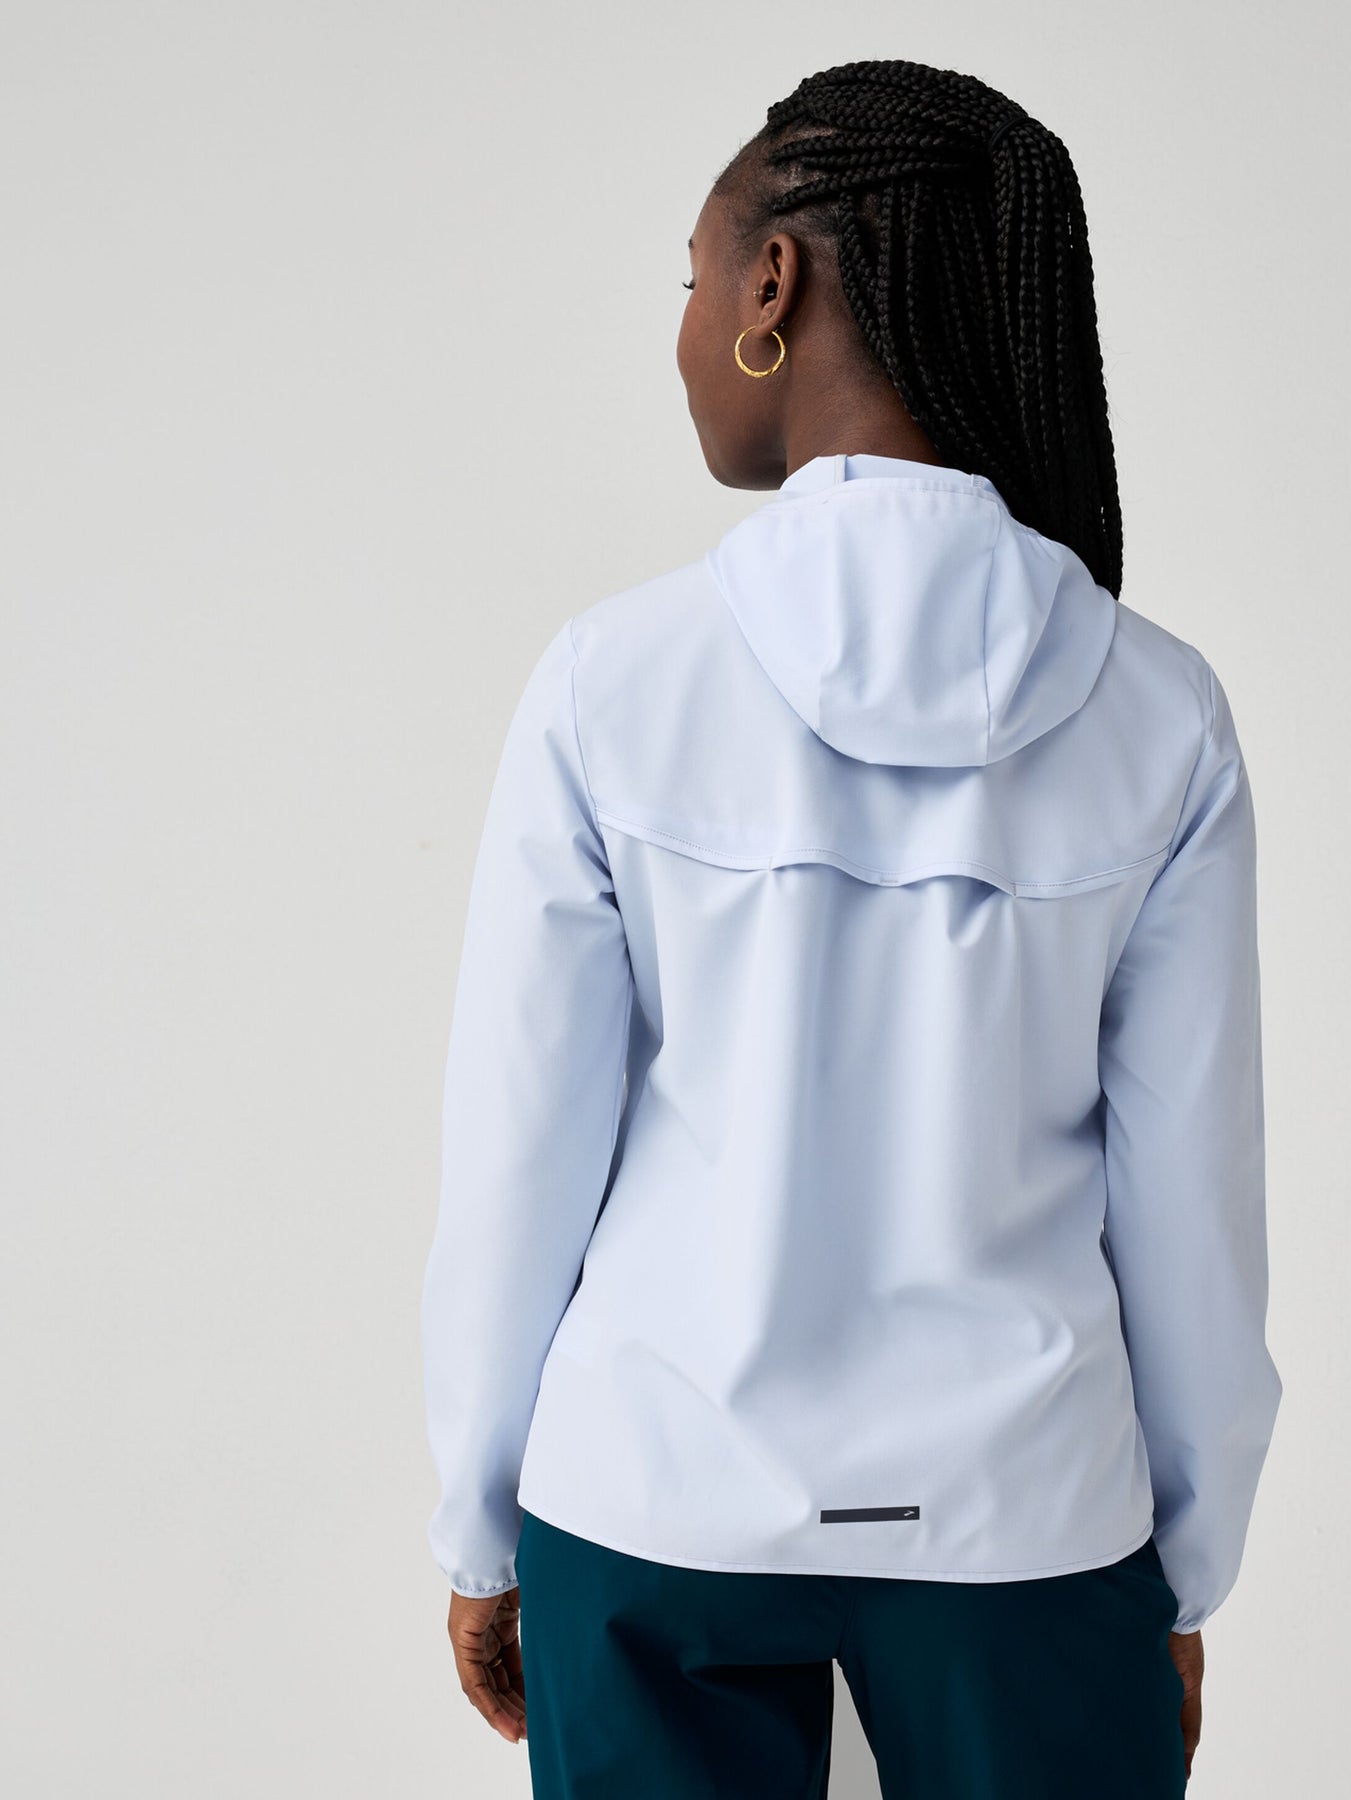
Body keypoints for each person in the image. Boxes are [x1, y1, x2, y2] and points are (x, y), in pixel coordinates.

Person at [420, 57, 1282, 1798]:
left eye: (692, 276)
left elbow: (521, 1151)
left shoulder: (611, 684)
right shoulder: (1159, 714)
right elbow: (1192, 1207)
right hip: (1030, 1521)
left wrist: (480, 1522)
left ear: (773, 287)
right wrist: (1183, 1571)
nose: (681, 328)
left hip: (654, 1498)